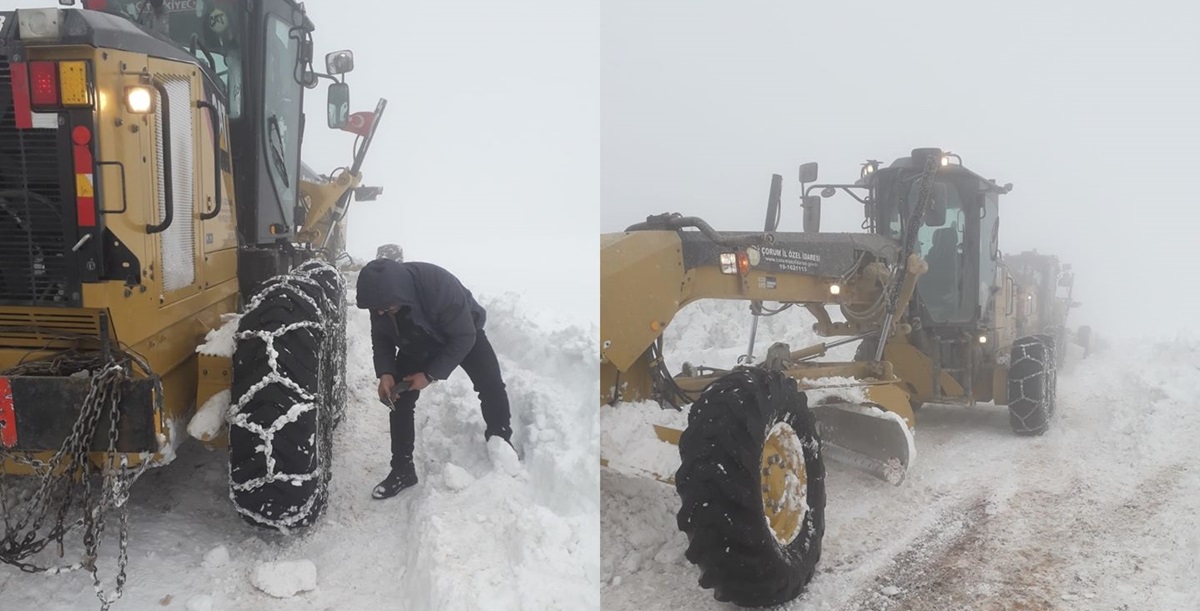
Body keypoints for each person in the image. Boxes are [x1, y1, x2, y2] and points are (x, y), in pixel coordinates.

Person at [355, 258, 513, 499]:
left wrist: (429, 375)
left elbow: (464, 336)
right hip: (416, 340)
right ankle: (402, 469)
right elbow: (382, 338)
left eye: (387, 307)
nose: (380, 312)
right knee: (400, 398)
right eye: (377, 309)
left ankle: (501, 440)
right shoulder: (381, 301)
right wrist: (385, 372)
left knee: (490, 384)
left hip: (463, 333)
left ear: (402, 293)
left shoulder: (438, 286)